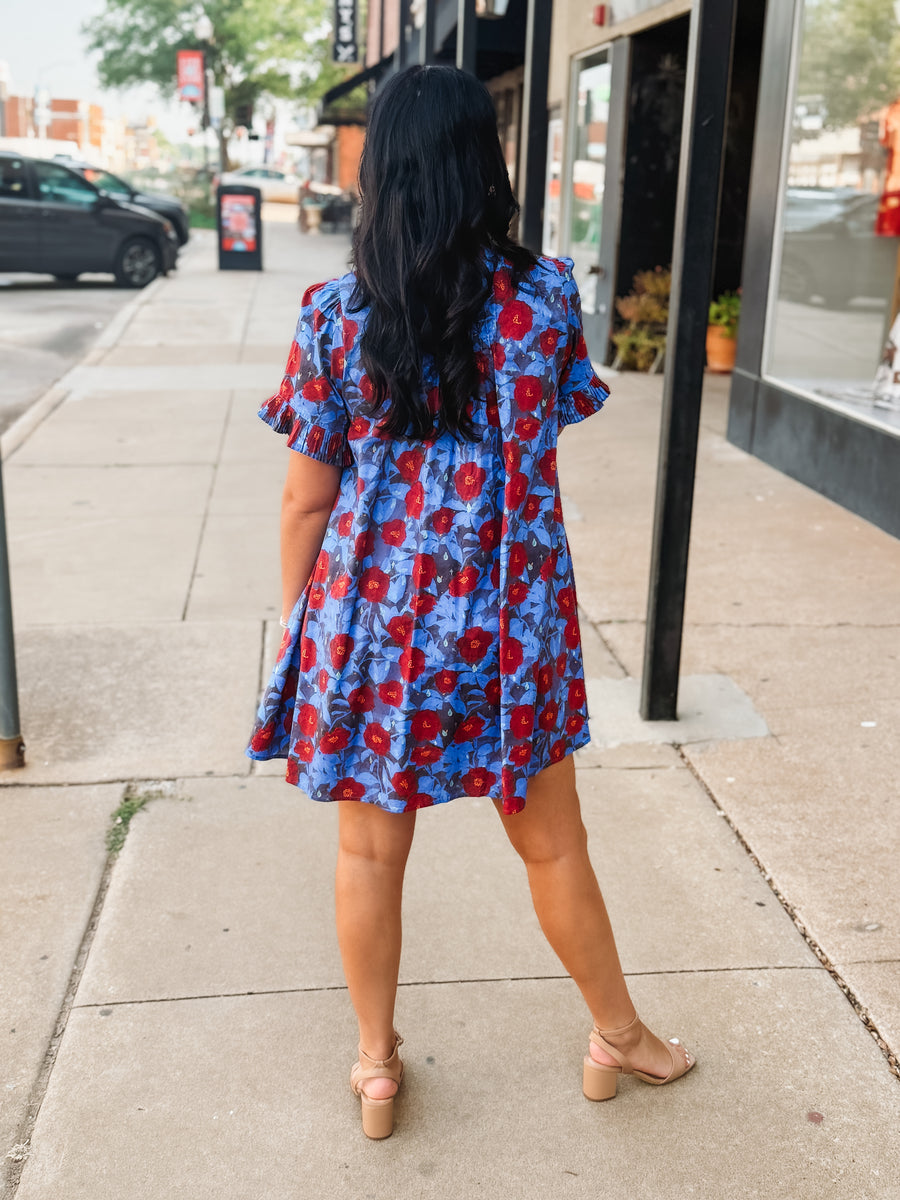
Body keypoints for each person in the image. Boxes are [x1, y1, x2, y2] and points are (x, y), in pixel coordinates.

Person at [246, 64, 695, 1140]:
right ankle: (619, 1035)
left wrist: (308, 622)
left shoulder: (334, 315)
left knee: (366, 853)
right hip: (511, 618)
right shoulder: (545, 302)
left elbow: (307, 497)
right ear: (483, 165)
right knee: (553, 846)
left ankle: (376, 1066)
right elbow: (546, 429)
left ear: (383, 173)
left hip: (372, 619)